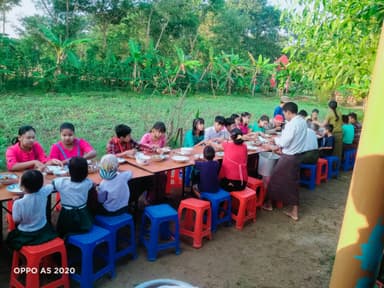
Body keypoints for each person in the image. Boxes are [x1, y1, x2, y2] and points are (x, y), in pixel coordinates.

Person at [263, 102, 307, 221]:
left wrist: (275, 141)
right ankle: (292, 210)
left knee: (274, 180)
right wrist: (277, 139)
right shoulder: (302, 121)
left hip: (289, 157)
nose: (284, 116)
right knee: (292, 182)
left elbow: (283, 143)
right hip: (297, 155)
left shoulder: (292, 124)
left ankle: (270, 204)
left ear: (288, 112)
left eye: (284, 113)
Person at [6, 170, 57, 250]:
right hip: (43, 229)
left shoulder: (18, 203)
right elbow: (51, 186)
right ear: (41, 185)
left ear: (22, 186)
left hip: (26, 233)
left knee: (10, 238)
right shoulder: (43, 192)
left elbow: (16, 220)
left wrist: (15, 202)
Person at [53, 157, 94, 238]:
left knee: (64, 229)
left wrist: (65, 177)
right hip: (83, 216)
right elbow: (92, 184)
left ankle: (64, 235)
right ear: (86, 172)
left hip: (67, 216)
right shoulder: (88, 183)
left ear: (69, 171)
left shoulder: (61, 182)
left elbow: (53, 182)